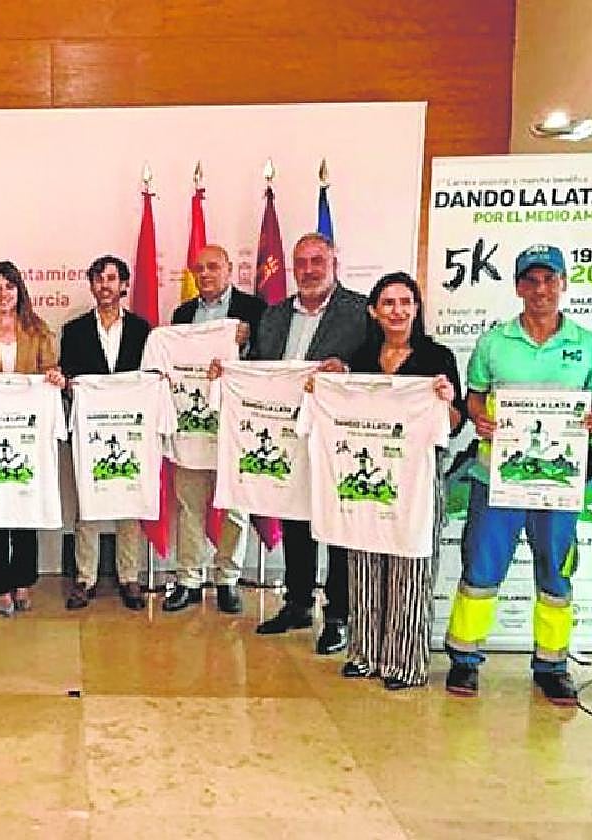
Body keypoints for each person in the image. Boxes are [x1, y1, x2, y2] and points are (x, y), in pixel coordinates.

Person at [444, 244, 592, 706]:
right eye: (531, 280)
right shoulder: (494, 342)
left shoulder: (587, 343)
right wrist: (480, 418)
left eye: (549, 279)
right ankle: (465, 660)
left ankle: (552, 664)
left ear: (564, 284)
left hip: (560, 485)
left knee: (556, 574)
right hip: (496, 479)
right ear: (517, 287)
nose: (540, 289)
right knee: (481, 570)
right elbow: (474, 397)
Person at [334, 273, 465, 689]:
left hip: (420, 480)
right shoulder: (359, 358)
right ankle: (365, 652)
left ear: (417, 307)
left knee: (411, 566)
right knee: (365, 561)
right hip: (369, 476)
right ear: (373, 311)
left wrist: (446, 402)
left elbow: (456, 423)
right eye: (388, 303)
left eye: (405, 301)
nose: (397, 310)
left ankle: (404, 662)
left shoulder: (437, 358)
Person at [250, 232, 368, 653]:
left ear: (335, 261)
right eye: (301, 262)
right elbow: (258, 367)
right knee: (295, 521)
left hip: (338, 436)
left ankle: (338, 614)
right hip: (286, 434)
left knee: (336, 524)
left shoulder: (360, 311)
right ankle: (298, 602)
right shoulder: (274, 315)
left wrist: (348, 368)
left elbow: (379, 362)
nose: (309, 269)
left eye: (318, 260)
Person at [0, 260, 65, 616]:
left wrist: (53, 379)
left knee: (24, 506)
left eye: (9, 286)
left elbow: (50, 368)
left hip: (26, 434)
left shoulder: (38, 330)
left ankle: (23, 582)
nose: (3, 294)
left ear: (20, 290)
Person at [165, 244, 267, 614]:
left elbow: (267, 359)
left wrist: (248, 341)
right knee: (189, 504)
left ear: (228, 270)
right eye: (199, 268)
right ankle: (189, 579)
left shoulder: (254, 311)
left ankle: (228, 578)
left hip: (236, 425)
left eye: (213, 267)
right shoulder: (182, 314)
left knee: (235, 507)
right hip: (193, 425)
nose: (205, 274)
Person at [59, 254, 152, 611]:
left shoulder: (144, 330)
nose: (105, 285)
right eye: (98, 279)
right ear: (92, 286)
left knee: (129, 498)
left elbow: (151, 376)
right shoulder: (76, 330)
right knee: (89, 503)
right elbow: (68, 380)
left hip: (130, 432)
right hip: (91, 431)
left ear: (124, 285)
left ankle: (130, 577)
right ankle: (85, 578)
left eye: (111, 279)